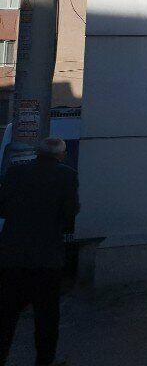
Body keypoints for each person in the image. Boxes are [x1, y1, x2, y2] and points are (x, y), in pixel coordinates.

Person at [0, 137, 80, 366]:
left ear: (38, 153)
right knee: (46, 318)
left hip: (11, 256)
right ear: (61, 155)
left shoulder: (15, 173)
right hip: (46, 259)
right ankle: (44, 361)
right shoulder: (66, 175)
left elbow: (2, 206)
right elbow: (70, 212)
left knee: (5, 316)